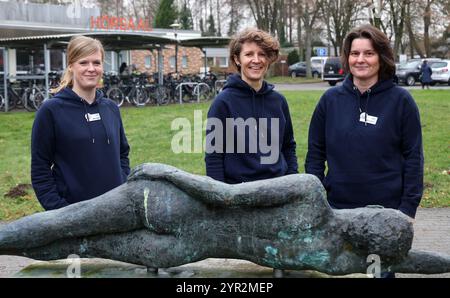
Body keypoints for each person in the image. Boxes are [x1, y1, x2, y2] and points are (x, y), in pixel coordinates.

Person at [1, 163, 449, 276]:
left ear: (370, 213)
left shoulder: (311, 192)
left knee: (64, 226)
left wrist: (166, 171)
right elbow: (409, 263)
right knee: (74, 245)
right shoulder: (339, 261)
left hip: (169, 207)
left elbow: (228, 195)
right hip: (184, 246)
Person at [305, 25, 424, 277]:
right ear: (347, 58)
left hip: (384, 215)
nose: (360, 60)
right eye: (354, 53)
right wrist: (318, 198)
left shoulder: (401, 101)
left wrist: (407, 211)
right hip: (337, 212)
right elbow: (315, 154)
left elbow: (414, 157)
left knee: (376, 273)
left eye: (368, 53)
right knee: (338, 272)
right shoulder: (330, 100)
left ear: (381, 57)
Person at [31, 35, 130, 211]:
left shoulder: (111, 109)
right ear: (71, 66)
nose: (91, 69)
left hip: (115, 210)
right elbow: (40, 169)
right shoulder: (51, 111)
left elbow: (123, 153)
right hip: (74, 216)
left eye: (96, 63)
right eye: (83, 63)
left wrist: (122, 184)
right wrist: (60, 211)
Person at [205, 28, 298, 184]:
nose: (256, 60)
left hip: (278, 190)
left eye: (262, 54)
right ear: (237, 59)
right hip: (238, 194)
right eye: (249, 54)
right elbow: (214, 157)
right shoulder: (223, 103)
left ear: (268, 59)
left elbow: (288, 146)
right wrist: (219, 200)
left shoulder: (279, 101)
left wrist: (292, 181)